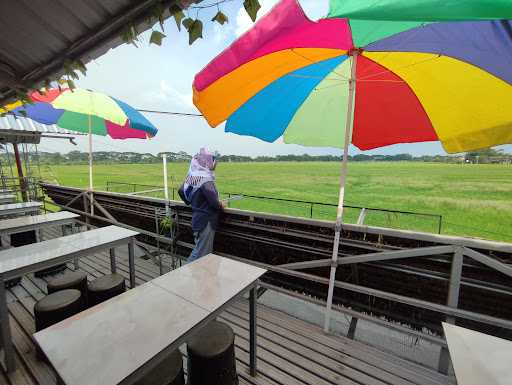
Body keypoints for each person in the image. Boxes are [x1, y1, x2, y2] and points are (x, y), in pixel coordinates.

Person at [178, 148, 224, 262]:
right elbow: (214, 203)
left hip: (197, 219)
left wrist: (189, 201)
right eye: (214, 160)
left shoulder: (193, 176)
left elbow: (180, 190)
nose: (215, 163)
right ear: (209, 162)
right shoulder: (206, 179)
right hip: (206, 221)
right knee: (201, 254)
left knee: (199, 250)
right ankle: (185, 275)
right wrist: (221, 205)